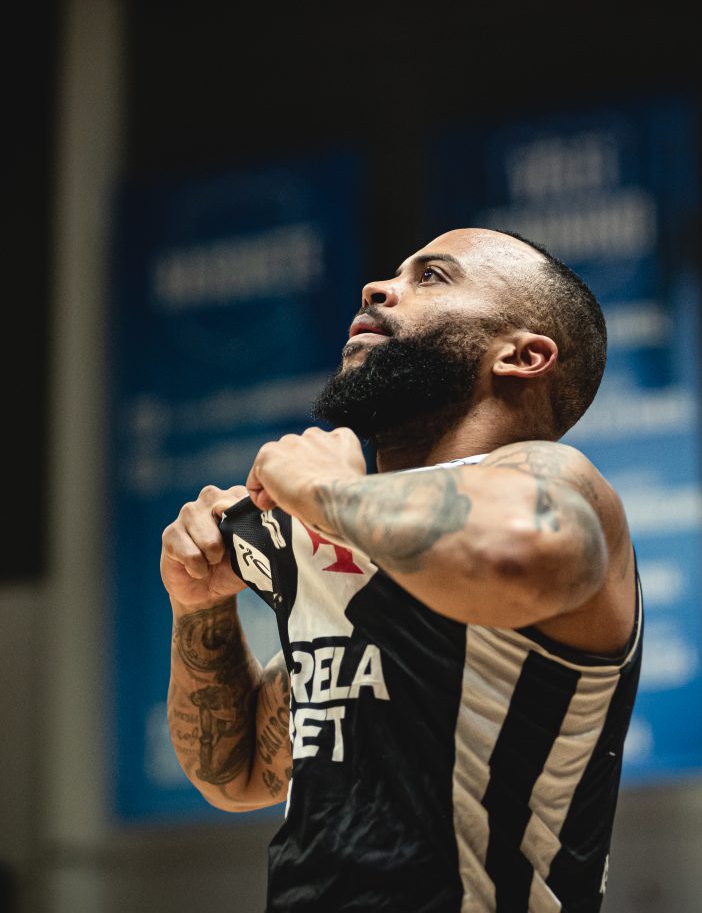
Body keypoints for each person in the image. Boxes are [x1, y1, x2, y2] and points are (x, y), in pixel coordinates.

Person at [160, 227, 642, 912]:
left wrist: (326, 490)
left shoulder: (554, 477)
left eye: (432, 277)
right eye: (394, 273)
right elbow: (236, 775)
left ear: (523, 355)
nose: (377, 288)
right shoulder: (348, 530)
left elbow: (516, 553)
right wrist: (200, 605)